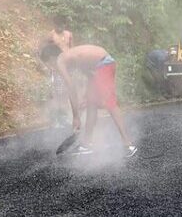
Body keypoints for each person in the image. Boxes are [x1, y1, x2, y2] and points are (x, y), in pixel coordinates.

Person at [41, 27, 137, 158]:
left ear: (52, 58)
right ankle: (87, 145)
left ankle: (129, 145)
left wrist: (76, 117)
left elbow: (71, 88)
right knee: (91, 103)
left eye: (48, 64)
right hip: (100, 67)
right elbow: (89, 74)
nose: (50, 68)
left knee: (110, 103)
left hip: (104, 64)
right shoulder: (70, 57)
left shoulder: (60, 61)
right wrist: (87, 96)